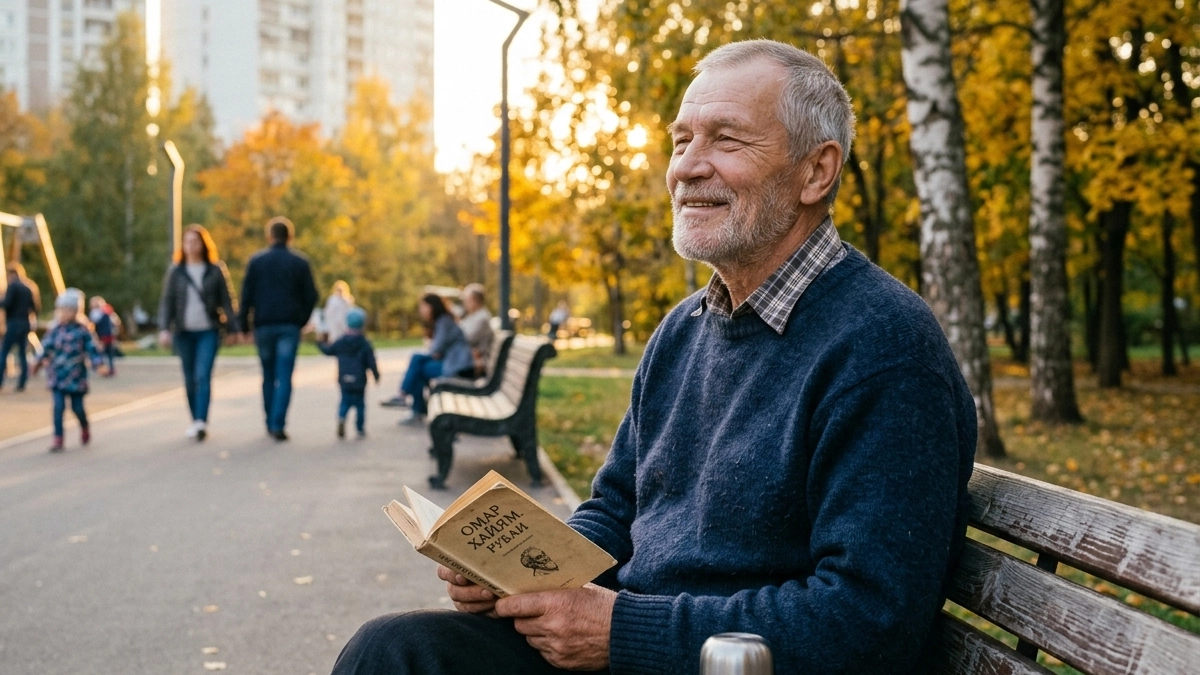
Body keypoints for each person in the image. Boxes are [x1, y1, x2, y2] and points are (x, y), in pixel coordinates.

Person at [332, 40, 977, 675]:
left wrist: (621, 631)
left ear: (816, 172)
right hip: (638, 646)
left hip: (722, 666)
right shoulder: (684, 328)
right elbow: (616, 509)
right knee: (393, 651)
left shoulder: (884, 348)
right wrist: (518, 574)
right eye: (680, 141)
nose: (688, 168)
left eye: (727, 140)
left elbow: (868, 620)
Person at [238, 216, 319, 441]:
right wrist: (301, 320)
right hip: (289, 326)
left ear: (270, 236)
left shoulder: (257, 261)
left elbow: (247, 295)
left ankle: (269, 420)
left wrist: (244, 324)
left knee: (268, 375)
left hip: (264, 325)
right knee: (284, 376)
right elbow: (311, 295)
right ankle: (278, 422)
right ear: (290, 237)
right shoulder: (300, 263)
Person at [156, 224, 240, 442]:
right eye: (187, 242)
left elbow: (227, 301)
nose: (191, 246)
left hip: (208, 331)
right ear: (182, 245)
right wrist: (164, 329)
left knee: (203, 375)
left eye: (195, 241)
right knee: (189, 377)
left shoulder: (215, 269)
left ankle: (201, 420)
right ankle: (195, 419)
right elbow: (167, 302)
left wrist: (235, 329)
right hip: (183, 332)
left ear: (204, 244)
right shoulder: (176, 271)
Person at [35, 290, 108, 452]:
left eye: (67, 310)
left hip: (76, 376)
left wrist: (99, 365)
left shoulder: (83, 330)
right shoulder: (55, 329)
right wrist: (37, 362)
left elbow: (92, 350)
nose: (63, 313)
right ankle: (58, 438)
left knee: (77, 408)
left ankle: (84, 425)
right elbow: (45, 347)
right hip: (58, 375)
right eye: (60, 310)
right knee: (58, 407)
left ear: (76, 311)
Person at [395, 294, 473, 425]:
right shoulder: (444, 320)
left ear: (431, 307)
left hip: (457, 366)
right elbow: (436, 351)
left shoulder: (444, 321)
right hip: (452, 362)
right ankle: (409, 401)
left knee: (417, 362)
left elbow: (435, 350)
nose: (421, 310)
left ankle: (407, 399)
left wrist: (435, 352)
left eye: (423, 306)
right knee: (418, 367)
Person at [318, 307, 379, 439]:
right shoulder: (364, 343)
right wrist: (376, 375)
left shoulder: (341, 342)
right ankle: (360, 428)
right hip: (359, 380)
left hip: (344, 378)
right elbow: (371, 362)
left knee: (344, 401)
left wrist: (320, 343)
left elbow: (328, 351)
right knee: (360, 405)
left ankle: (341, 417)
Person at [1, 262, 40, 392]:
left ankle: (0, 381)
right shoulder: (30, 287)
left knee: (4, 352)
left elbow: (7, 304)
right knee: (23, 354)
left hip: (13, 322)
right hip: (25, 323)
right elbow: (36, 307)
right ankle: (22, 383)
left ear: (12, 274)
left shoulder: (13, 286)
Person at [459, 283, 495, 376]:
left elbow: (465, 338)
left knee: (424, 367)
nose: (464, 303)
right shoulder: (473, 316)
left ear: (476, 300)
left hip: (474, 364)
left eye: (467, 300)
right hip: (467, 359)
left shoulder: (482, 318)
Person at [88, 296, 121, 376]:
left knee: (101, 352)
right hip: (108, 335)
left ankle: (102, 368)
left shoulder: (96, 313)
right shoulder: (108, 312)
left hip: (103, 335)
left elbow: (92, 325)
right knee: (108, 353)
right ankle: (109, 368)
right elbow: (116, 322)